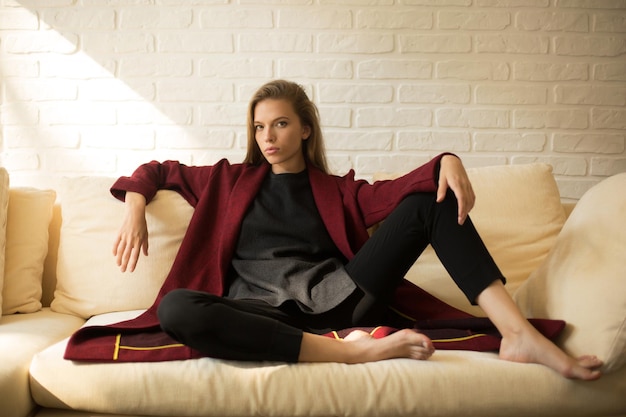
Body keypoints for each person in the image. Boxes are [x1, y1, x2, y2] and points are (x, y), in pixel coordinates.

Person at [112, 79, 602, 380]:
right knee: (178, 307)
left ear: (305, 129)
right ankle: (351, 355)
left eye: (280, 125)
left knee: (428, 203)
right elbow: (158, 171)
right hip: (261, 316)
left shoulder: (337, 190)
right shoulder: (226, 180)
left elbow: (406, 190)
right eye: (260, 128)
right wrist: (135, 206)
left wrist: (448, 159)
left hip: (341, 301)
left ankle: (516, 334)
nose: (268, 138)